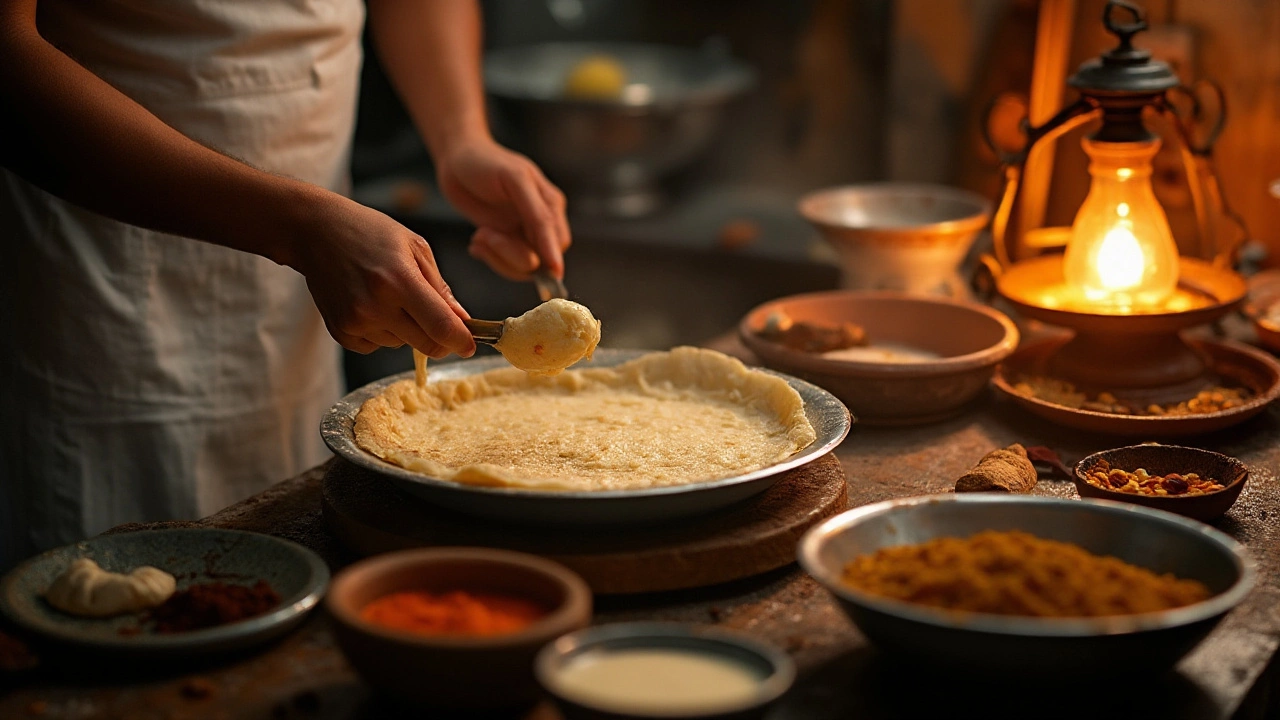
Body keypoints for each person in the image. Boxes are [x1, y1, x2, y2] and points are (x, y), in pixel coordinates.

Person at [0, 0, 570, 569]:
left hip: (303, 306)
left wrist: (461, 138)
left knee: (284, 548)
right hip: (108, 293)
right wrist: (298, 229)